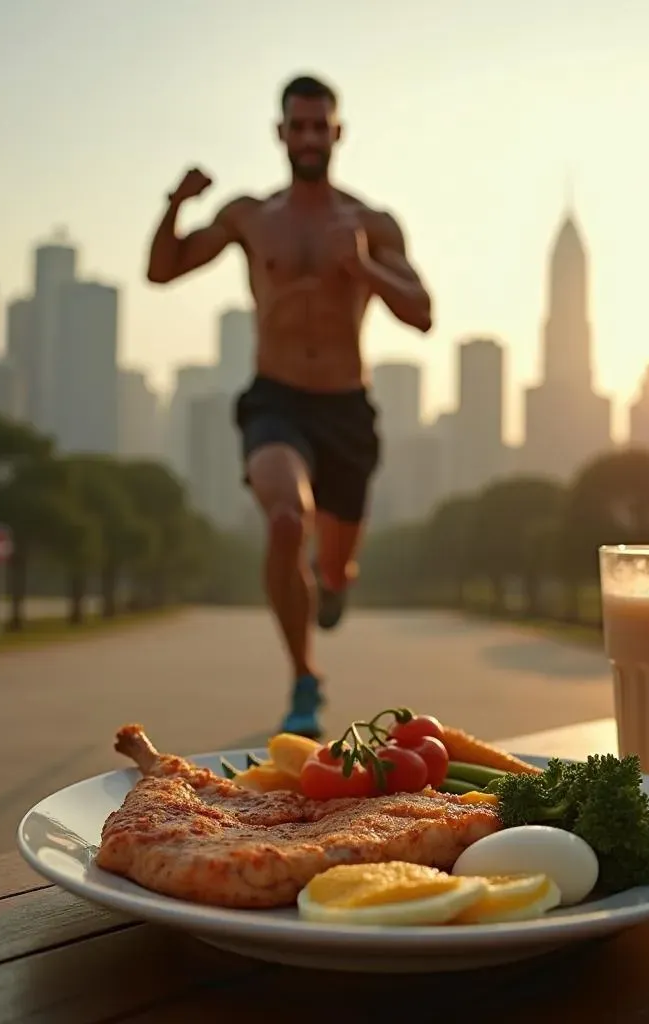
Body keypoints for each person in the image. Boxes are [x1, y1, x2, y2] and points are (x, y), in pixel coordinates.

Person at [145, 73, 433, 738]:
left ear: (337, 132)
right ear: (281, 133)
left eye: (319, 126)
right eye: (296, 126)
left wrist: (362, 269)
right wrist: (175, 203)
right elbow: (164, 270)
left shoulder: (372, 223)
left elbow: (422, 313)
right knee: (283, 521)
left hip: (346, 412)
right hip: (276, 400)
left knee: (333, 567)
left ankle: (332, 581)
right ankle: (305, 679)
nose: (308, 138)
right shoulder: (251, 216)